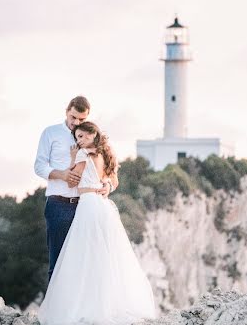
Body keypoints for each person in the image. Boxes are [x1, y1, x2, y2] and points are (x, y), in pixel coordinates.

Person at [38, 121, 156, 325]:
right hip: (101, 205)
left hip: (88, 205)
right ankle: (104, 301)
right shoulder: (105, 154)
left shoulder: (83, 155)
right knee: (103, 255)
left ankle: (85, 304)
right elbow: (110, 178)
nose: (79, 140)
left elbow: (72, 179)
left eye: (82, 136)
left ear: (93, 135)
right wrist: (108, 183)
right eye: (77, 137)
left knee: (84, 255)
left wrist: (74, 158)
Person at [34, 96, 113, 281]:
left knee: (88, 262)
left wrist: (108, 184)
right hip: (59, 205)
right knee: (58, 261)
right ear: (67, 111)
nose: (76, 123)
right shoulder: (50, 133)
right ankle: (56, 309)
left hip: (87, 206)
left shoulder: (94, 135)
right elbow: (39, 166)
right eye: (73, 117)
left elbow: (110, 168)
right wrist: (62, 175)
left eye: (81, 119)